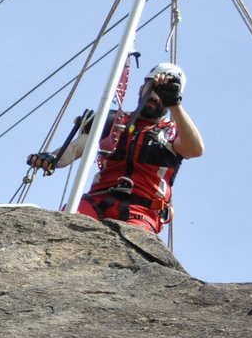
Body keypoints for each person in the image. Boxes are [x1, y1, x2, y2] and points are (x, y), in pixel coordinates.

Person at [26, 62, 205, 234]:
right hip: (96, 201)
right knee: (66, 225)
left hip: (142, 212)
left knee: (134, 247)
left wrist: (175, 104)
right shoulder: (112, 120)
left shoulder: (173, 132)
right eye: (152, 87)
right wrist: (52, 159)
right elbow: (75, 149)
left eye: (162, 94)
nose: (154, 96)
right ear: (141, 88)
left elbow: (195, 150)